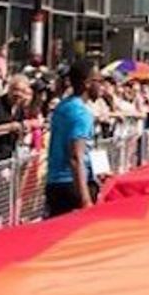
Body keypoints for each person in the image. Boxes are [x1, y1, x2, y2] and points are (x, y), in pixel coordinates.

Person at [45, 60, 100, 217]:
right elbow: (75, 157)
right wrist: (85, 200)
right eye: (99, 81)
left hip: (54, 184)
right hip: (72, 186)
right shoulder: (81, 114)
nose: (101, 87)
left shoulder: (62, 107)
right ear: (88, 83)